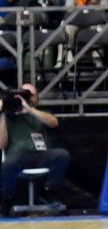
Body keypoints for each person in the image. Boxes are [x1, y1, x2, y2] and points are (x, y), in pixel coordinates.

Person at [0, 84, 70, 215]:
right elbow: (1, 145)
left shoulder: (41, 113)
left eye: (30, 95)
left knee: (62, 155)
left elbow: (54, 122)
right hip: (19, 155)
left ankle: (48, 191)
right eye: (24, 94)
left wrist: (30, 110)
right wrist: (4, 112)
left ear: (37, 98)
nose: (28, 98)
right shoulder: (10, 116)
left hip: (41, 154)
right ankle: (6, 198)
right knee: (10, 162)